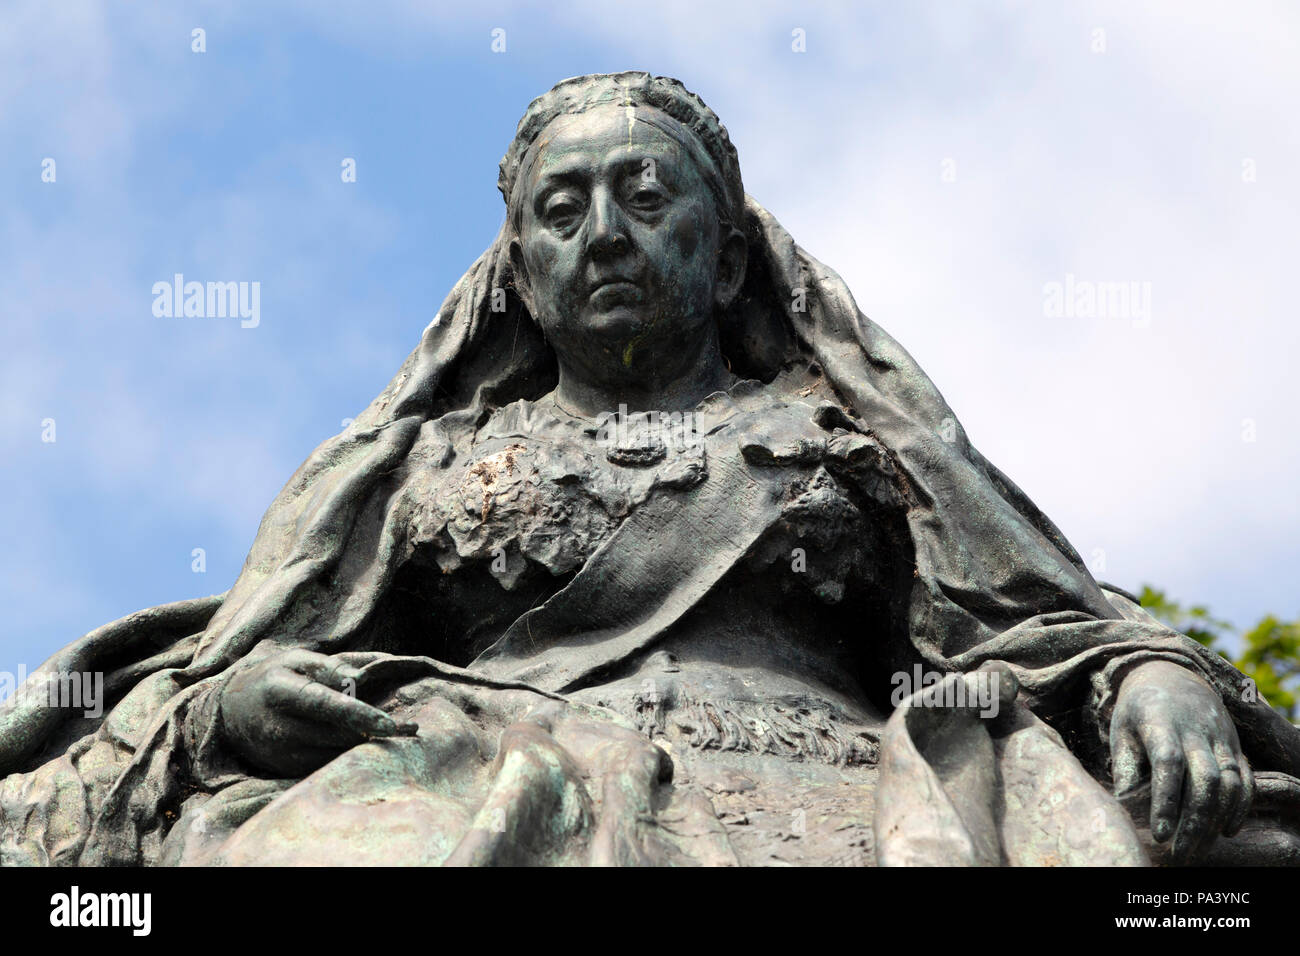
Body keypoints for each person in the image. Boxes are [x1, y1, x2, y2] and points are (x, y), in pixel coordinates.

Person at [3, 72, 1298, 866]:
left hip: (830, 785)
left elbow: (1029, 621)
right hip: (460, 768)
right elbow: (210, 682)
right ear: (517, 275)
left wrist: (1149, 671)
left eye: (645, 197)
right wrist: (234, 714)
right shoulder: (401, 473)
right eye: (562, 212)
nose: (606, 233)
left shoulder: (858, 447)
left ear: (729, 260)